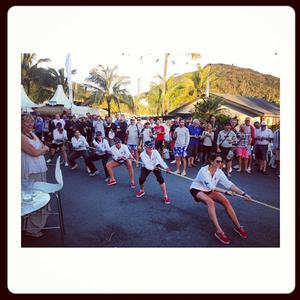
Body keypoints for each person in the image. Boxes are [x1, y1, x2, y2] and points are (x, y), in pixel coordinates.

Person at [189, 153, 252, 245]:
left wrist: (243, 193)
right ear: (211, 161)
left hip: (208, 189)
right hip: (197, 189)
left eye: (221, 161)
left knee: (225, 201)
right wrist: (226, 192)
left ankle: (238, 227)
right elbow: (211, 187)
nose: (220, 163)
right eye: (218, 161)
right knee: (210, 202)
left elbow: (228, 184)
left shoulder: (219, 171)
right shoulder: (203, 170)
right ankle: (219, 231)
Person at [21, 114, 50, 238]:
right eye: (27, 122)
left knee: (39, 196)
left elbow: (42, 146)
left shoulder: (33, 134)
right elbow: (34, 152)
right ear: (21, 123)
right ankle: (31, 229)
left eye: (31, 123)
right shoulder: (20, 137)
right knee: (34, 199)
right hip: (31, 170)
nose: (30, 125)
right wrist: (44, 150)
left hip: (39, 169)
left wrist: (42, 149)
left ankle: (32, 226)